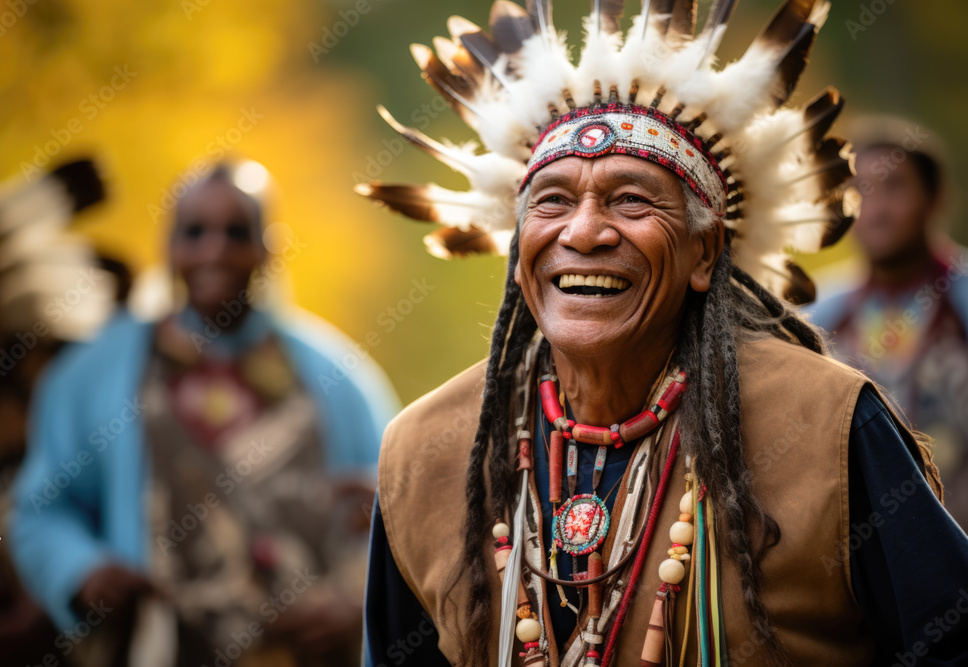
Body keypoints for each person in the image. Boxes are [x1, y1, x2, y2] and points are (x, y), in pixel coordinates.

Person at [359, 2, 968, 666]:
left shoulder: (827, 425)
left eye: (630, 200)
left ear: (704, 253)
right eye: (553, 200)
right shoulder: (425, 453)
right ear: (521, 244)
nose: (584, 232)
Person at [11, 161, 400, 666]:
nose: (213, 249)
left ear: (269, 246)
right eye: (194, 231)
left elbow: (400, 515)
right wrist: (82, 571)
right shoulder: (91, 375)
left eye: (236, 231)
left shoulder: (340, 377)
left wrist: (357, 603)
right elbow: (42, 509)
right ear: (169, 246)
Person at [806, 116, 968, 529]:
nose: (875, 210)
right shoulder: (817, 313)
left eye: (895, 187)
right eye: (860, 191)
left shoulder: (961, 299)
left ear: (934, 199)